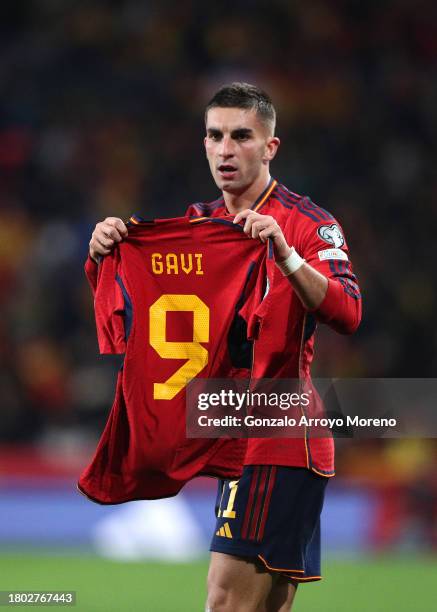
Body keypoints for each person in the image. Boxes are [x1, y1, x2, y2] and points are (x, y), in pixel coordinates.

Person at [87, 83, 362, 612]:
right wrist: (110, 255)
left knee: (225, 604)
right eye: (215, 135)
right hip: (234, 434)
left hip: (275, 436)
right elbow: (155, 321)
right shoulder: (197, 225)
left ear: (270, 147)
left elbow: (348, 313)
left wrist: (285, 256)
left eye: (241, 136)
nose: (225, 149)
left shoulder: (308, 224)